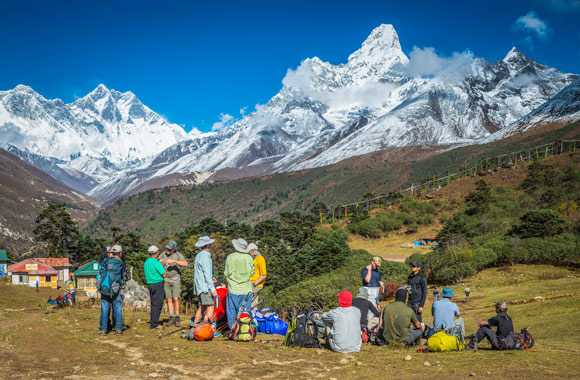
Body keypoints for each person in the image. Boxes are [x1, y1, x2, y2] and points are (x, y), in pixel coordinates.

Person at [224, 238, 255, 329]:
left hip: (233, 288)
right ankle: (243, 330)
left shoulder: (230, 257)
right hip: (246, 289)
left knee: (231, 311)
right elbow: (252, 273)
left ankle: (233, 330)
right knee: (245, 311)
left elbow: (226, 273)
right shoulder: (249, 257)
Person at [98, 245, 129, 335]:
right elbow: (126, 277)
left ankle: (103, 329)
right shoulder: (121, 263)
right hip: (116, 290)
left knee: (104, 309)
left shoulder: (106, 261)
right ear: (120, 253)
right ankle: (118, 328)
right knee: (117, 308)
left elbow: (100, 273)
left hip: (104, 288)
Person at [158, 240, 188, 327]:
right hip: (166, 279)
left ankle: (177, 317)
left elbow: (185, 263)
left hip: (175, 280)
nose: (168, 250)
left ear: (174, 249)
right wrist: (161, 262)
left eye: (170, 249)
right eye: (167, 248)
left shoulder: (178, 255)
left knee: (176, 298)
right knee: (169, 299)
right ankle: (171, 316)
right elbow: (157, 262)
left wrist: (174, 261)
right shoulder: (163, 254)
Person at [192, 236, 217, 328]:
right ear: (208, 245)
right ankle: (208, 328)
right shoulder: (205, 256)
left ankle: (195, 324)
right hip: (205, 287)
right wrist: (212, 288)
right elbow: (206, 273)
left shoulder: (199, 255)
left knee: (202, 306)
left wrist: (211, 277)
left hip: (199, 286)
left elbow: (201, 272)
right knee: (210, 306)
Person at [144, 245, 166, 330]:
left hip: (150, 284)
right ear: (157, 252)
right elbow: (164, 274)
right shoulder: (156, 263)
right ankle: (154, 324)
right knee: (158, 304)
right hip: (158, 284)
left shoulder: (147, 262)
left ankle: (153, 321)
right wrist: (162, 265)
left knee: (153, 303)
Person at [248, 243, 267, 310]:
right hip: (251, 283)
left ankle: (250, 316)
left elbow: (263, 275)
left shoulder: (260, 259)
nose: (249, 254)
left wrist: (254, 284)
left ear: (255, 250)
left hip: (256, 284)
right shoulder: (253, 258)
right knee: (253, 303)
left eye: (250, 252)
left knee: (248, 302)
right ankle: (253, 317)